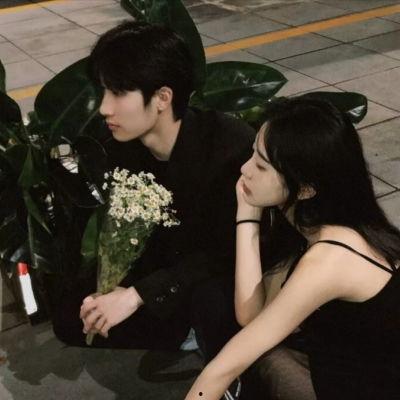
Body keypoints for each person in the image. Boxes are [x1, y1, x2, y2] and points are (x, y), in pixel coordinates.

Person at [51, 19, 255, 368]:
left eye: (118, 93)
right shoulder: (117, 146)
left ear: (162, 98)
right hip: (162, 278)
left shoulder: (228, 149)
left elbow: (226, 253)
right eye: (104, 91)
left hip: (217, 277)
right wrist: (113, 288)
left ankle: (201, 335)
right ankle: (181, 331)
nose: (104, 108)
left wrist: (137, 295)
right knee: (71, 316)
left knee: (211, 303)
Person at [185, 95, 400, 400]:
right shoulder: (319, 222)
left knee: (245, 354)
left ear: (305, 188)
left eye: (261, 165)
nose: (245, 169)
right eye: (252, 153)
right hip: (348, 368)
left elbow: (225, 367)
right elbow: (251, 315)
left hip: (368, 386)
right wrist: (247, 216)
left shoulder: (329, 259)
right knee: (216, 304)